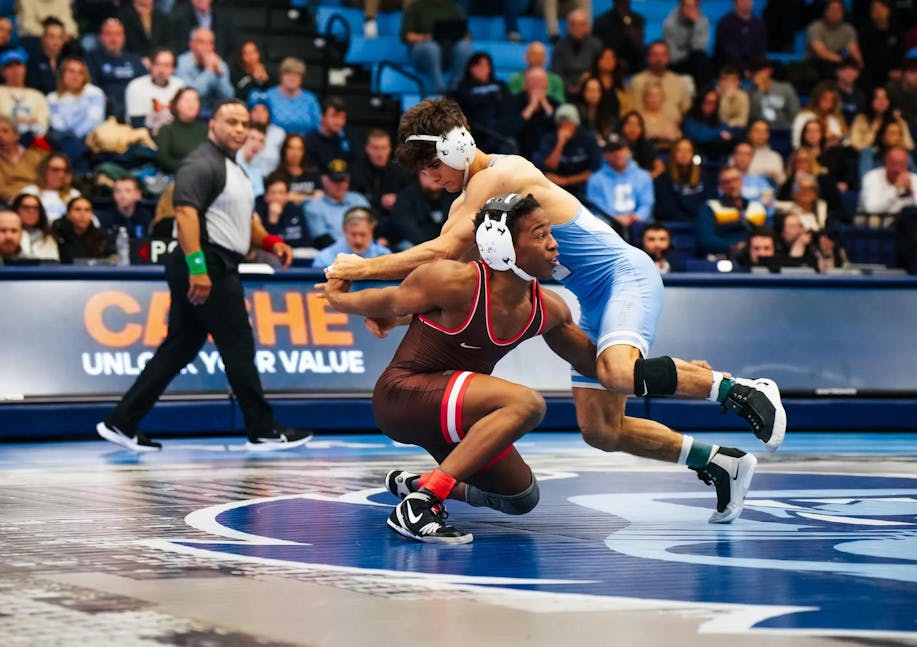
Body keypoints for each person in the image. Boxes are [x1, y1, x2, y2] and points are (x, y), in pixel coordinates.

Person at [325, 99, 785, 522]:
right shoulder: (471, 197)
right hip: (591, 295)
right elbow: (453, 276)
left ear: (457, 143)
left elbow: (444, 252)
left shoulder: (500, 178)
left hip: (624, 275)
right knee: (601, 429)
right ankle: (719, 462)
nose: (432, 178)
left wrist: (361, 266)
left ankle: (739, 390)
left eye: (432, 166)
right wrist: (397, 314)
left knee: (617, 373)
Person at [317, 194, 604, 542]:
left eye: (550, 233)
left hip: (452, 414)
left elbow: (597, 365)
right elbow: (384, 301)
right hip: (403, 396)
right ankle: (422, 504)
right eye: (540, 234)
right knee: (526, 404)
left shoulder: (548, 308)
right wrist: (337, 294)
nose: (553, 244)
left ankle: (420, 484)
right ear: (502, 244)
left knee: (520, 498)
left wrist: (666, 372)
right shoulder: (453, 280)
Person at [97, 98, 310, 453]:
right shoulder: (202, 163)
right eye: (231, 122)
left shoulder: (234, 168)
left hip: (209, 262)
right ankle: (263, 428)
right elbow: (185, 214)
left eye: (244, 123)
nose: (240, 129)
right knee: (237, 343)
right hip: (206, 263)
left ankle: (122, 421)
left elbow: (246, 221)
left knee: (180, 346)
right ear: (213, 125)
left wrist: (272, 242)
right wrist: (198, 267)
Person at [585, 132, 653, 235]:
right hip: (607, 227)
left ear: (629, 151)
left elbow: (647, 203)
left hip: (639, 226)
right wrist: (615, 218)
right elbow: (596, 207)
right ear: (604, 155)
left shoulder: (643, 176)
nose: (617, 154)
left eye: (621, 149)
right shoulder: (595, 179)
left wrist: (637, 217)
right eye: (612, 150)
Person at [400, 0, 473, 93]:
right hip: (422, 51)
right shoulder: (415, 7)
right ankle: (440, 88)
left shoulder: (454, 8)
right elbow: (407, 36)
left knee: (464, 46)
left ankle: (456, 87)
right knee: (431, 47)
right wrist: (427, 37)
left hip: (448, 50)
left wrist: (463, 36)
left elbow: (466, 34)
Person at [696, 164, 769, 256]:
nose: (732, 185)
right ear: (720, 186)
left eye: (735, 180)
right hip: (724, 256)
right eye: (726, 182)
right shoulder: (710, 207)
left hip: (756, 256)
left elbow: (767, 236)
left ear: (742, 182)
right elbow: (706, 239)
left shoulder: (757, 207)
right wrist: (733, 246)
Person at [533, 104, 603, 200]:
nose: (565, 126)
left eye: (569, 123)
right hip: (556, 189)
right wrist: (560, 144)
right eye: (561, 123)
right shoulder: (549, 139)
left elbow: (594, 171)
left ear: (576, 124)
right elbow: (548, 167)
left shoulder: (588, 139)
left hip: (582, 188)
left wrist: (566, 181)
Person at [84, 18, 145, 121]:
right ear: (101, 37)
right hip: (105, 109)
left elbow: (145, 84)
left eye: (118, 34)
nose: (113, 38)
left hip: (133, 107)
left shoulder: (135, 59)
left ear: (123, 37)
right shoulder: (92, 59)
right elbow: (90, 87)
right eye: (108, 34)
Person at [302, 158, 371, 248]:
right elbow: (322, 240)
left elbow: (372, 226)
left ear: (348, 180)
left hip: (365, 248)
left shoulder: (358, 199)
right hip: (334, 254)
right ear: (325, 180)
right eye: (335, 181)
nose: (340, 185)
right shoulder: (314, 206)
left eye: (343, 180)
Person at [349, 128, 410, 225]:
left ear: (390, 149)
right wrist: (379, 200)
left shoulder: (399, 171)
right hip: (364, 220)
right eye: (375, 148)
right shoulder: (356, 170)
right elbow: (353, 198)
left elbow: (411, 194)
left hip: (395, 221)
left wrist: (397, 198)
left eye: (384, 148)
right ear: (367, 148)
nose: (380, 153)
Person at [385, 169, 456, 248]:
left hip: (445, 243)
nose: (433, 178)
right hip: (417, 244)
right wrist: (432, 246)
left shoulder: (453, 194)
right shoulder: (407, 197)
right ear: (418, 176)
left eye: (437, 173)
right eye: (426, 174)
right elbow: (408, 229)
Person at [124, 48, 185, 132]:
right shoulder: (135, 86)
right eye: (157, 64)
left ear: (173, 69)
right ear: (150, 65)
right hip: (143, 135)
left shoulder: (179, 85)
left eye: (167, 65)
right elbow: (136, 122)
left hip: (175, 133)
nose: (161, 70)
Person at [175, 27, 235, 111]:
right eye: (201, 42)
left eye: (210, 43)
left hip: (214, 110)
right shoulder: (181, 63)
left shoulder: (219, 63)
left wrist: (219, 75)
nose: (207, 47)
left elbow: (229, 96)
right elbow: (192, 94)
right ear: (191, 44)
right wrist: (209, 70)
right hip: (189, 110)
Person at [312, 206, 391, 268]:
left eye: (363, 234)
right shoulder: (324, 258)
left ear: (372, 231)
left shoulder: (385, 256)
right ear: (344, 230)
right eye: (353, 234)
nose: (358, 241)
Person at [662, 0, 713, 91]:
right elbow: (672, 55)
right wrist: (688, 54)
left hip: (693, 60)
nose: (691, 10)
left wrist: (695, 24)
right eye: (688, 7)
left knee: (702, 59)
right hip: (676, 62)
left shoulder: (702, 21)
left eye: (694, 7)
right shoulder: (669, 23)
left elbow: (699, 48)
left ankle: (703, 94)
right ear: (680, 7)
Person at [550, 8, 602, 96]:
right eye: (573, 24)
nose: (578, 28)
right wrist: (569, 86)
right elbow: (556, 72)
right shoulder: (560, 46)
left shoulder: (596, 45)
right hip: (566, 89)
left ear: (587, 26)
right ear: (569, 26)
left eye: (581, 24)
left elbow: (599, 70)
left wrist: (584, 82)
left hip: (590, 88)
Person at [155, 87, 208, 174]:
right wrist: (189, 169)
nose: (192, 104)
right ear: (176, 104)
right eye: (187, 100)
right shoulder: (167, 130)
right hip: (178, 175)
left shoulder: (205, 129)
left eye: (195, 100)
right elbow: (164, 160)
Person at [264, 57, 321, 136]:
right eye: (288, 74)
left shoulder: (310, 99)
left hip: (304, 144)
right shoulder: (268, 96)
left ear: (302, 78)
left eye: (296, 75)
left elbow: (317, 126)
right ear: (281, 76)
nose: (292, 78)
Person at [0, 49, 50, 138]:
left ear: (25, 69)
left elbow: (43, 123)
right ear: (2, 72)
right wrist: (15, 122)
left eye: (18, 65)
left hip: (34, 141)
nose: (15, 70)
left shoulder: (37, 95)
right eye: (10, 66)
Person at [19, 152, 81, 221]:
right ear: (44, 170)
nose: (61, 175)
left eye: (64, 171)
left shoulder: (74, 194)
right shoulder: (30, 192)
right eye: (55, 170)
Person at [52, 196, 114, 264]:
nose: (82, 214)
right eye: (77, 209)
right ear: (68, 214)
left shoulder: (101, 236)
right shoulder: (57, 235)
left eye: (87, 210)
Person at [256, 175, 312, 249]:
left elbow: (307, 240)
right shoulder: (259, 212)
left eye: (281, 193)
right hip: (274, 255)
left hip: (298, 253)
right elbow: (266, 244)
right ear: (266, 196)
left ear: (287, 195)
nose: (277, 197)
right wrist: (273, 220)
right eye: (273, 193)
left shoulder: (295, 210)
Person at [0, 116, 47, 203]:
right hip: (13, 202)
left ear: (16, 135)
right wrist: (23, 197)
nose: (0, 135)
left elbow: (47, 179)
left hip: (41, 197)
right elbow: (2, 190)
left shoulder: (35, 155)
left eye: (5, 131)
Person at [593, 0, 646, 75]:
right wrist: (616, 61)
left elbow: (639, 42)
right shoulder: (602, 21)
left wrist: (630, 28)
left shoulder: (637, 19)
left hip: (634, 63)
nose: (623, 4)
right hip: (610, 61)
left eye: (625, 2)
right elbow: (599, 47)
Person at [305, 98, 359, 171]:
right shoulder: (310, 140)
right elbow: (310, 169)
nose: (338, 121)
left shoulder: (351, 136)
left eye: (342, 117)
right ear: (322, 117)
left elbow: (358, 163)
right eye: (334, 116)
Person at [714, 0, 767, 73]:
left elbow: (760, 50)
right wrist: (745, 69)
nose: (746, 3)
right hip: (730, 65)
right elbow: (728, 52)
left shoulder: (758, 25)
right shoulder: (726, 24)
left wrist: (755, 68)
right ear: (735, 3)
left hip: (752, 67)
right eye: (742, 0)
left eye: (748, 0)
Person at [747, 58, 800, 129]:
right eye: (756, 73)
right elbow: (752, 116)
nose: (760, 75)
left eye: (762, 71)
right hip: (760, 131)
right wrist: (759, 91)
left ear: (770, 71)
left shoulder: (785, 88)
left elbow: (794, 113)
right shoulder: (750, 91)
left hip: (784, 130)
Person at [97, 175, 154, 239]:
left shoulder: (146, 217)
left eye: (127, 191)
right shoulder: (104, 218)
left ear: (138, 194)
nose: (122, 195)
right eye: (117, 191)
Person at [12, 193, 60, 261]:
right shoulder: (7, 234)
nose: (31, 211)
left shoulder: (49, 237)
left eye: (35, 208)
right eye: (26, 207)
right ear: (16, 209)